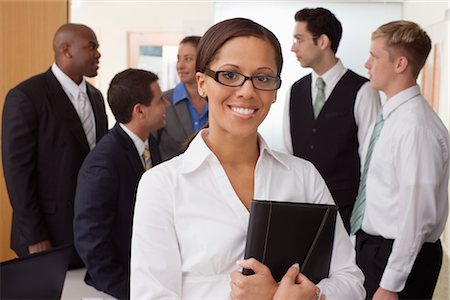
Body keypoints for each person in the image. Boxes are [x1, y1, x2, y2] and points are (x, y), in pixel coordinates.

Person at [130, 17, 365, 300]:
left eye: (263, 78)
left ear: (275, 91)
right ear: (202, 83)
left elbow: (350, 282)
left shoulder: (303, 176)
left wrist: (307, 296)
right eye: (229, 75)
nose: (247, 91)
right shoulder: (162, 185)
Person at [350, 20, 449, 299]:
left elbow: (416, 217)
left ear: (400, 64)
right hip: (375, 249)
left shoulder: (416, 128)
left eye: (375, 56)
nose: (367, 64)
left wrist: (390, 284)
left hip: (398, 257)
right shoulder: (388, 118)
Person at [1, 23, 108, 267]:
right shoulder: (26, 96)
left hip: (90, 230)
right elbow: (18, 173)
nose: (98, 53)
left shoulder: (96, 97)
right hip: (47, 233)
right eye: (91, 46)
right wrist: (35, 236)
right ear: (66, 50)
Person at [282, 7, 381, 233]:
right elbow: (289, 156)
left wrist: (362, 221)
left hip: (346, 214)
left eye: (299, 39)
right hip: (302, 211)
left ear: (323, 41)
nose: (293, 47)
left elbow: (371, 161)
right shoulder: (295, 91)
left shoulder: (363, 91)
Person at [73, 68, 169, 299]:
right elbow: (91, 239)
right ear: (140, 111)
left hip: (150, 276)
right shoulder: (104, 161)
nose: (167, 105)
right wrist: (127, 291)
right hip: (120, 286)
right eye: (160, 100)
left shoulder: (150, 145)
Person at [154, 35, 208, 161]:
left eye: (188, 59)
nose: (180, 66)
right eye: (178, 59)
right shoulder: (164, 100)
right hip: (171, 178)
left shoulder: (218, 100)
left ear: (203, 61)